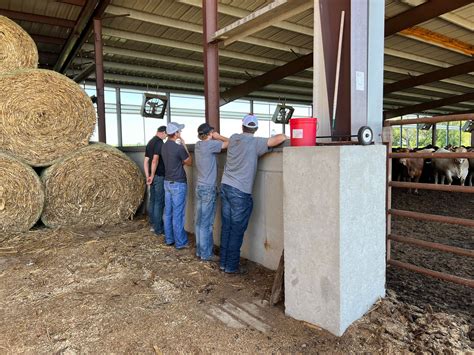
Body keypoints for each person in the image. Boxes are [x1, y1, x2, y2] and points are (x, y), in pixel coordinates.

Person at [220, 114, 287, 274]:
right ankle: (230, 267)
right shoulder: (255, 143)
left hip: (226, 186)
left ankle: (223, 263)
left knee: (227, 227)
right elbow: (281, 138)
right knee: (236, 230)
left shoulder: (234, 138)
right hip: (240, 191)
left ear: (242, 126)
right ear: (255, 128)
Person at [194, 123, 229, 261]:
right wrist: (218, 136)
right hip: (208, 188)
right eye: (212, 132)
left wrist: (211, 136)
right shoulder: (210, 145)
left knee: (199, 221)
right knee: (206, 224)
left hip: (200, 187)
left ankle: (199, 250)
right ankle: (206, 254)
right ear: (209, 134)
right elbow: (231, 143)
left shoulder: (198, 145)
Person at [161, 122, 192, 249]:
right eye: (179, 131)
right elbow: (189, 162)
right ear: (176, 134)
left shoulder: (164, 146)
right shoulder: (178, 148)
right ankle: (180, 242)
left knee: (168, 213)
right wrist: (184, 144)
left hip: (167, 182)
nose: (181, 133)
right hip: (178, 183)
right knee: (178, 214)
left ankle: (169, 239)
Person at [144, 125, 167, 235]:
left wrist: (147, 176)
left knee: (152, 201)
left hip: (152, 176)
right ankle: (158, 229)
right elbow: (155, 160)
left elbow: (145, 161)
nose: (166, 136)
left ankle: (153, 225)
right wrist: (152, 175)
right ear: (163, 132)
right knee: (158, 202)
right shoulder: (159, 143)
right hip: (158, 176)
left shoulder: (150, 142)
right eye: (166, 134)